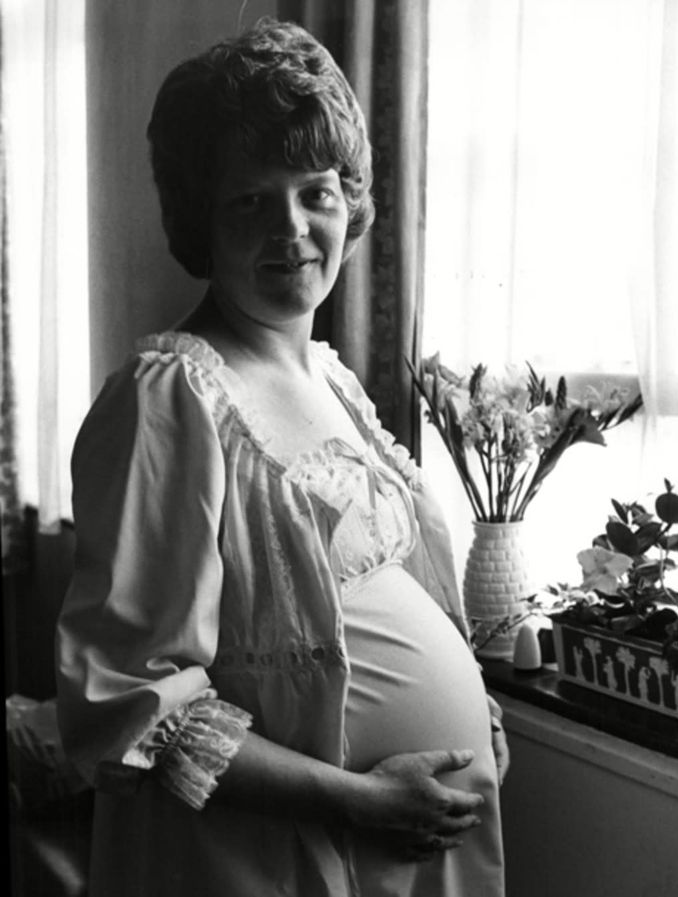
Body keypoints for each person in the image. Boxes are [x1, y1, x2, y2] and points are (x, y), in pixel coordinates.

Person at [56, 18, 508, 897]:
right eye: (250, 201)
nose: (293, 229)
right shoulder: (168, 396)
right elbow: (130, 702)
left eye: (316, 193)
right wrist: (357, 800)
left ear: (352, 200)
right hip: (278, 856)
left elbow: (378, 593)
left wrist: (474, 710)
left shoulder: (327, 375)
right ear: (200, 220)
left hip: (400, 845)